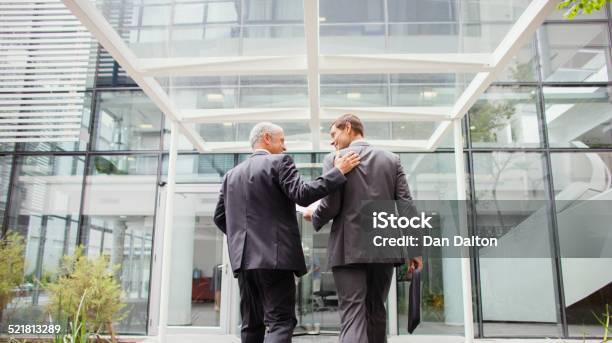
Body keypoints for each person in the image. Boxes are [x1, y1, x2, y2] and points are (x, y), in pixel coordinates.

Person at [213, 122, 360, 343]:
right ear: (266, 138)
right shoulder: (279, 162)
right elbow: (302, 194)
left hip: (243, 262)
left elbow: (219, 217)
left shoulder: (231, 175)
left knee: (251, 324)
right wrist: (338, 172)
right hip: (275, 259)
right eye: (281, 140)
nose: (284, 147)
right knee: (280, 321)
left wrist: (243, 240)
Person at [304, 114, 423, 343]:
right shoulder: (391, 160)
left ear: (348, 128)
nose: (332, 141)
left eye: (334, 134)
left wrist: (314, 215)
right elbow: (406, 207)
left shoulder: (334, 159)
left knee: (352, 314)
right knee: (376, 310)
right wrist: (415, 249)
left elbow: (331, 206)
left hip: (348, 248)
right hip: (384, 249)